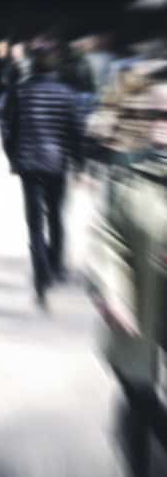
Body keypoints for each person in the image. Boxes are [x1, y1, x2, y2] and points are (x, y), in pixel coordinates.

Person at [88, 73, 167, 477]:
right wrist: (111, 290)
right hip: (138, 313)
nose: (159, 126)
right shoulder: (130, 174)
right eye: (154, 114)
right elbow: (107, 237)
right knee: (138, 397)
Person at [0, 44, 81, 307]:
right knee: (56, 215)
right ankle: (56, 265)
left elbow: (8, 128)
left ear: (32, 65)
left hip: (29, 164)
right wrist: (79, 162)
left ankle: (41, 276)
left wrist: (13, 158)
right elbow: (74, 131)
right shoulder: (67, 94)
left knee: (35, 223)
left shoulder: (20, 92)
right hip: (57, 164)